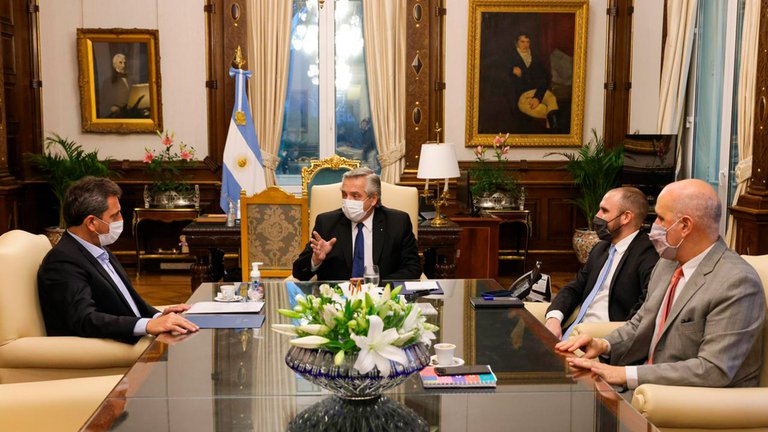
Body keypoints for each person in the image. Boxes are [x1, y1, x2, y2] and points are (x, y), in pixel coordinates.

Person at [557, 179, 765, 389]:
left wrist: (623, 374)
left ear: (685, 226)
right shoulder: (668, 262)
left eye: (660, 218)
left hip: (689, 400)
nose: (653, 226)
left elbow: (713, 370)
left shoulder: (737, 283)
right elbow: (640, 323)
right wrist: (603, 344)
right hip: (646, 388)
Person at [38, 176, 199, 344]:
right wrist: (147, 325)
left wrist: (158, 316)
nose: (121, 220)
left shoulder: (98, 248)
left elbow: (128, 302)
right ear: (91, 223)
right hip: (101, 347)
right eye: (114, 216)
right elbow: (85, 319)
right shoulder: (63, 261)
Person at [545, 187, 659, 339]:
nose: (597, 216)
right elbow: (575, 288)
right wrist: (554, 318)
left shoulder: (648, 254)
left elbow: (645, 309)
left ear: (626, 217)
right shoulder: (601, 248)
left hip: (603, 339)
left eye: (604, 211)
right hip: (571, 333)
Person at [292, 167, 421, 281]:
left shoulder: (398, 222)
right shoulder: (326, 223)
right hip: (338, 298)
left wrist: (375, 284)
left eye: (355, 196)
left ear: (373, 199)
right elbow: (299, 273)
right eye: (344, 195)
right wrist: (315, 260)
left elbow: (413, 268)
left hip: (382, 296)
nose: (348, 201)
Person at [509, 32, 560, 131]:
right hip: (523, 97)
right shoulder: (510, 58)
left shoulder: (535, 57)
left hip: (538, 91)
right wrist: (511, 70)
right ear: (516, 43)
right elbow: (496, 72)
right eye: (522, 42)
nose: (525, 45)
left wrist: (537, 97)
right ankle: (554, 131)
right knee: (546, 110)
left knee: (551, 98)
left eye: (528, 42)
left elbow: (546, 77)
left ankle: (555, 130)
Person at [99, 53, 132, 118]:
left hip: (131, 115)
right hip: (117, 116)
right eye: (120, 62)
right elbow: (103, 103)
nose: (123, 65)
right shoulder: (107, 82)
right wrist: (110, 108)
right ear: (114, 65)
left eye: (125, 63)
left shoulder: (132, 80)